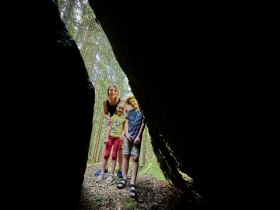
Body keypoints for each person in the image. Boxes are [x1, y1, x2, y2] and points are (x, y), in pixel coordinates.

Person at [117, 95, 145, 198]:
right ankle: (124, 178)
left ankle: (132, 183)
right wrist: (126, 134)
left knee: (135, 157)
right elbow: (126, 123)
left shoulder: (142, 112)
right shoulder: (130, 112)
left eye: (134, 100)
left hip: (136, 139)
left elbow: (143, 124)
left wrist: (138, 136)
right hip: (128, 137)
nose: (133, 102)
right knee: (126, 156)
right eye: (131, 102)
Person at [95, 84, 125, 178]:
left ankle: (120, 170)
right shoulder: (105, 102)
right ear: (108, 91)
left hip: (120, 123)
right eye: (111, 90)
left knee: (120, 147)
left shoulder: (121, 100)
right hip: (111, 122)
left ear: (117, 92)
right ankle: (104, 168)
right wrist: (109, 119)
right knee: (107, 144)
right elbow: (105, 113)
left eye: (114, 90)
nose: (112, 92)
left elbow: (125, 111)